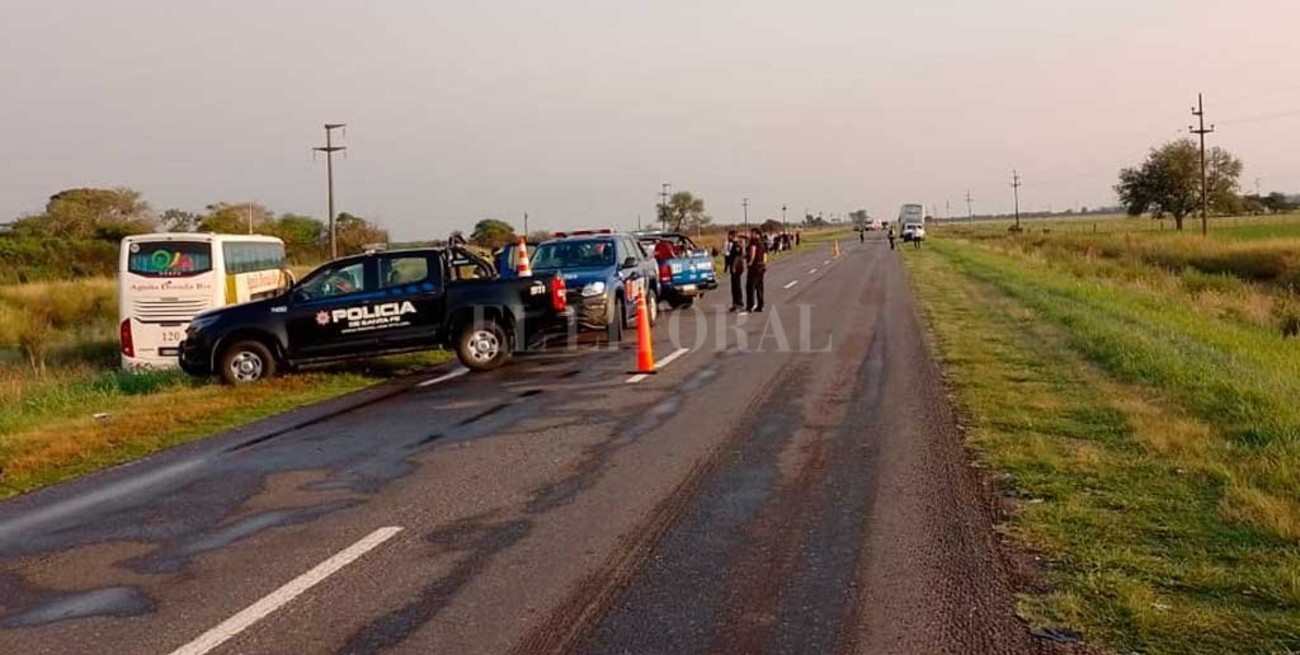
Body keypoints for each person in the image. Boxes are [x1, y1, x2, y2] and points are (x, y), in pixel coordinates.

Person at [723, 230, 746, 312]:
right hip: (733, 269)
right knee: (734, 287)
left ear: (733, 236)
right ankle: (735, 304)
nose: (728, 237)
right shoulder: (733, 245)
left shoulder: (737, 245)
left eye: (729, 236)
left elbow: (737, 257)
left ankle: (739, 304)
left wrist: (733, 267)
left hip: (737, 269)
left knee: (737, 287)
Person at [745, 228, 768, 313]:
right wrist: (764, 264)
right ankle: (760, 305)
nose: (751, 234)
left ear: (756, 233)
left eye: (752, 233)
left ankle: (750, 305)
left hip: (754, 266)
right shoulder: (762, 242)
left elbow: (753, 251)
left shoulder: (754, 241)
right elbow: (765, 254)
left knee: (750, 286)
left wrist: (750, 262)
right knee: (760, 286)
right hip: (761, 265)